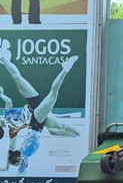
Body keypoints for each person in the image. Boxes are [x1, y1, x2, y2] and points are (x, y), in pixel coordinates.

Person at [0, 43, 79, 174]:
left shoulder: (7, 117)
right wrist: (7, 167)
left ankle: (2, 57)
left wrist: (2, 95)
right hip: (36, 115)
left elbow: (8, 101)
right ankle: (65, 68)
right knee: (58, 126)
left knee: (17, 78)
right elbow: (12, 151)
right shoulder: (12, 131)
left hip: (33, 106)